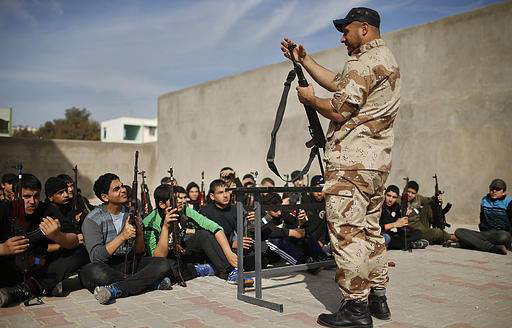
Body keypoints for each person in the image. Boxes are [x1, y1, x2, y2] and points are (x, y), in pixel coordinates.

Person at [281, 7, 400, 326]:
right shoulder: (384, 59)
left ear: (364, 28)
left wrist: (309, 100)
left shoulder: (364, 61)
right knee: (370, 230)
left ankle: (355, 308)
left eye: (346, 31)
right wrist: (304, 60)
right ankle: (377, 298)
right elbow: (339, 83)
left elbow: (338, 109)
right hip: (374, 167)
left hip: (351, 166)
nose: (342, 37)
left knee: (347, 234)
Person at [79, 173, 170, 305]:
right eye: (116, 189)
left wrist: (139, 232)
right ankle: (147, 283)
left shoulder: (130, 213)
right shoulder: (92, 219)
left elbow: (139, 252)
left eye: (122, 186)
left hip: (129, 262)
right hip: (106, 266)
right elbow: (96, 257)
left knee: (162, 264)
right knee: (92, 271)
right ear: (105, 197)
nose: (123, 190)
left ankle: (116, 289)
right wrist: (122, 237)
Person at [0, 174, 83, 307]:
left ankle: (28, 289)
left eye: (36, 196)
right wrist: (3, 248)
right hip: (8, 266)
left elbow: (74, 239)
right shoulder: (3, 210)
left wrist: (58, 236)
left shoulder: (47, 210)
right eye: (26, 197)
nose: (32, 201)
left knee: (80, 252)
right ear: (13, 196)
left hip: (38, 264)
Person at [143, 184, 238, 283]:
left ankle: (229, 270)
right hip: (166, 258)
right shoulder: (150, 222)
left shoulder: (183, 210)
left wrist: (229, 253)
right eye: (175, 199)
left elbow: (215, 228)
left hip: (180, 251)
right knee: (167, 267)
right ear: (162, 204)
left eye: (180, 197)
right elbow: (158, 258)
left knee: (203, 235)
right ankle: (201, 269)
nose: (180, 201)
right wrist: (166, 226)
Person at [454, 179, 511, 255]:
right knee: (459, 232)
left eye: (497, 189)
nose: (494, 191)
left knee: (504, 237)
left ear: (503, 192)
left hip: (501, 234)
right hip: (486, 234)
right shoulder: (484, 201)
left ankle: (473, 243)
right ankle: (493, 248)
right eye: (492, 189)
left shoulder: (509, 202)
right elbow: (482, 219)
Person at [402, 181, 456, 245]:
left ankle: (438, 227)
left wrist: (437, 199)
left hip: (421, 225)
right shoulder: (400, 200)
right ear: (405, 190)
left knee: (429, 206)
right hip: (412, 231)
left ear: (416, 193)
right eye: (408, 192)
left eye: (413, 193)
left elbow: (430, 200)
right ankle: (453, 237)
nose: (410, 195)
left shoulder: (418, 198)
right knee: (436, 232)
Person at [379, 185, 427, 250]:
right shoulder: (379, 206)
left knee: (418, 232)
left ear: (397, 198)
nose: (390, 199)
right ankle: (412, 244)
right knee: (387, 239)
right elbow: (378, 227)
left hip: (393, 233)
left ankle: (408, 243)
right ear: (384, 194)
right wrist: (394, 224)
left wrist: (405, 217)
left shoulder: (396, 206)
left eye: (394, 197)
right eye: (388, 195)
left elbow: (400, 221)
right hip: (382, 233)